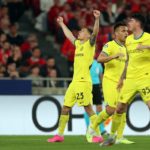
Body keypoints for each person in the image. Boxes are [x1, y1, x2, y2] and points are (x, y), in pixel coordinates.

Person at [47, 10, 103, 143]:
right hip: (74, 82)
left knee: (88, 108)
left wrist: (96, 19)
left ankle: (98, 134)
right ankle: (60, 135)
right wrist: (61, 24)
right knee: (65, 107)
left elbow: (95, 33)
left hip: (84, 82)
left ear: (88, 36)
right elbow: (69, 36)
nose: (79, 32)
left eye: (83, 31)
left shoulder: (90, 45)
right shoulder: (78, 44)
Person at [100, 13, 150, 146]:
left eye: (131, 21)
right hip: (130, 80)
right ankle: (112, 137)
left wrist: (145, 47)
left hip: (145, 78)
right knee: (120, 108)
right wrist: (122, 78)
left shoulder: (148, 38)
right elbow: (128, 61)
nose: (128, 24)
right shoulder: (128, 41)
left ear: (138, 23)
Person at [87, 22, 134, 144]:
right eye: (123, 31)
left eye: (127, 31)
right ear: (116, 33)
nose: (126, 33)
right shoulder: (110, 45)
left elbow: (126, 66)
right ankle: (93, 127)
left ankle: (120, 137)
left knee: (123, 109)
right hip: (109, 81)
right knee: (111, 109)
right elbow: (100, 59)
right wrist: (113, 56)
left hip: (122, 83)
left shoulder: (126, 48)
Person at [84, 59, 107, 135]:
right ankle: (88, 128)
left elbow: (101, 76)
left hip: (96, 86)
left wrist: (104, 87)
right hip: (87, 86)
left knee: (99, 108)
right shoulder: (85, 62)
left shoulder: (98, 63)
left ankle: (102, 129)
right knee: (88, 108)